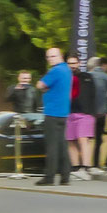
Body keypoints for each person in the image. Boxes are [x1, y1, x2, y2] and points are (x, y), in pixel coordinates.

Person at [36, 47, 73, 186]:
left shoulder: (55, 70)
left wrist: (46, 89)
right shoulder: (67, 70)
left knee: (51, 146)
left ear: (60, 56)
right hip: (64, 112)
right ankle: (65, 177)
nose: (50, 59)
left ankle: (49, 177)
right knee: (63, 146)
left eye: (53, 56)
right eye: (48, 57)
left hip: (52, 112)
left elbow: (40, 85)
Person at [65, 54, 96, 175]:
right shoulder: (64, 78)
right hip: (68, 113)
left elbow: (93, 95)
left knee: (83, 139)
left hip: (85, 113)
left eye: (74, 63)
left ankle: (86, 166)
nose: (72, 66)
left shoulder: (87, 77)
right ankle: (75, 167)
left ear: (78, 63)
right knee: (71, 140)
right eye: (69, 63)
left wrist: (91, 111)